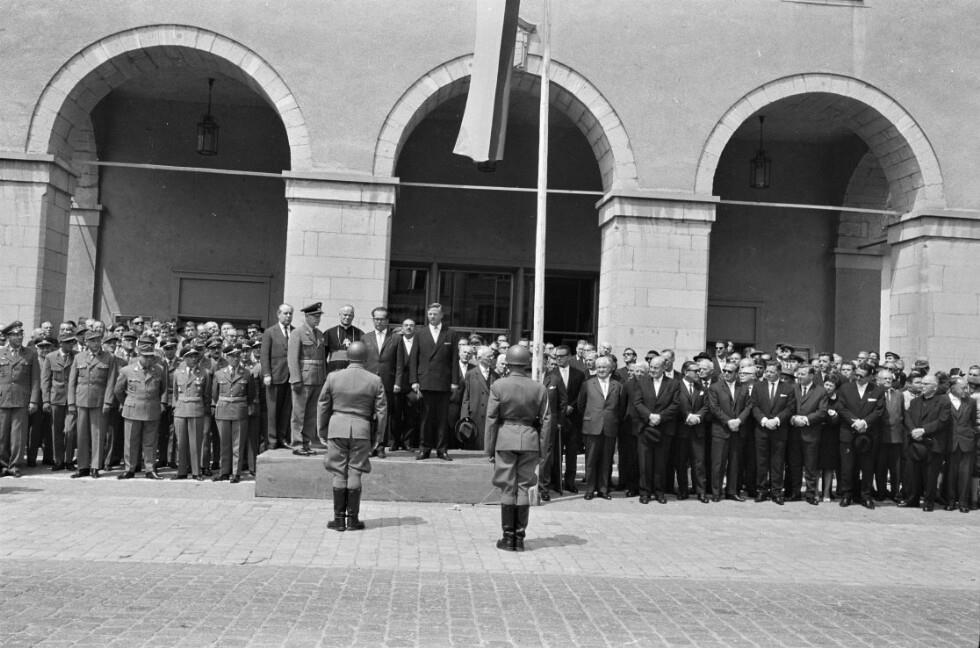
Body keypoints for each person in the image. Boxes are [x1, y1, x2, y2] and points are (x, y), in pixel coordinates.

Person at [484, 345, 550, 551]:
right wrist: (542, 449)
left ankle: (508, 537)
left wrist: (489, 448)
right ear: (526, 364)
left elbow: (491, 418)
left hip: (505, 438)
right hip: (530, 440)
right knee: (523, 487)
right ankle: (519, 539)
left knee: (507, 487)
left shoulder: (498, 386)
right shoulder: (539, 388)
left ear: (508, 363)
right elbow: (546, 421)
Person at [317, 341, 387, 532]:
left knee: (339, 472)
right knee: (355, 472)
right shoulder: (375, 380)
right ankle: (353, 520)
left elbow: (323, 405)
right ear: (366, 358)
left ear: (348, 356)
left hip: (337, 428)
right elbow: (382, 412)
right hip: (361, 430)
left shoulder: (333, 377)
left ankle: (339, 520)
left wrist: (322, 430)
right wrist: (378, 436)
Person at [111, 337, 168, 479]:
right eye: (145, 357)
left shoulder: (159, 370)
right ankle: (129, 469)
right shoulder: (127, 370)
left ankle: (150, 469)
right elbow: (118, 390)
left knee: (150, 441)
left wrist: (160, 403)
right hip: (132, 409)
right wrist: (127, 402)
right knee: (131, 441)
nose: (148, 360)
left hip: (151, 409)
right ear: (139, 356)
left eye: (151, 357)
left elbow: (163, 389)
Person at [409, 303, 457, 461]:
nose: (432, 317)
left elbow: (454, 359)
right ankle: (424, 448)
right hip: (426, 381)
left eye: (435, 314)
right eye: (430, 314)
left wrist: (454, 381)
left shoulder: (450, 333)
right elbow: (414, 358)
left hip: (443, 382)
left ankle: (442, 449)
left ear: (441, 315)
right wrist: (414, 380)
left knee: (442, 419)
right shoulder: (420, 333)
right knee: (426, 418)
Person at [67, 330, 117, 478]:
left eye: (98, 340)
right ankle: (82, 466)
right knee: (81, 434)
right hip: (81, 400)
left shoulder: (109, 357)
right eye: (92, 340)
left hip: (99, 400)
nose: (96, 343)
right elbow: (72, 382)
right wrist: (71, 402)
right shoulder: (79, 357)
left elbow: (111, 382)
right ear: (86, 342)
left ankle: (95, 466)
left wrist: (108, 401)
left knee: (98, 434)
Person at [632, 356, 680, 504]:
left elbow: (676, 404)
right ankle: (644, 493)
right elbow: (637, 403)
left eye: (655, 368)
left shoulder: (673, 384)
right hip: (645, 428)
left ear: (664, 368)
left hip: (664, 429)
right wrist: (649, 416)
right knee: (644, 464)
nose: (652, 370)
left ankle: (659, 492)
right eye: (651, 367)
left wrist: (661, 417)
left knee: (661, 463)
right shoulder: (642, 382)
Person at [576, 355, 625, 500]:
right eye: (598, 367)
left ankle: (603, 489)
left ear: (610, 369)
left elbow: (621, 407)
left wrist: (613, 420)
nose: (601, 370)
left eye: (604, 367)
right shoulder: (587, 384)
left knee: (606, 460)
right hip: (592, 426)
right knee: (591, 460)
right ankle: (590, 489)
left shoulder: (618, 385)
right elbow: (581, 404)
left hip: (610, 427)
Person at [837, 362, 884, 508]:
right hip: (849, 432)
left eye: (861, 376)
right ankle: (847, 494)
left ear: (870, 376)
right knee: (847, 467)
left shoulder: (877, 390)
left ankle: (866, 495)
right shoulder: (845, 388)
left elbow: (879, 410)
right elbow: (841, 407)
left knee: (867, 467)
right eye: (856, 375)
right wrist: (854, 422)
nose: (858, 378)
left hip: (868, 435)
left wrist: (864, 422)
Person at [902, 374, 951, 511]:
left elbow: (943, 421)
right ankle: (912, 500)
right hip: (915, 442)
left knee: (930, 475)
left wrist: (923, 430)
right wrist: (913, 431)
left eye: (926, 384)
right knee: (913, 474)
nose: (922, 386)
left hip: (932, 443)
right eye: (921, 383)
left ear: (934, 387)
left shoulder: (943, 401)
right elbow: (907, 417)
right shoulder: (915, 402)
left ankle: (929, 502)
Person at [0, 322, 42, 477]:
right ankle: (3, 464)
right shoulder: (1, 353)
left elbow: (35, 379)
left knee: (18, 435)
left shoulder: (30, 354)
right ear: (8, 337)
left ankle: (15, 465)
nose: (19, 337)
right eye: (15, 335)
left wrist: (33, 400)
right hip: (3, 399)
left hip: (21, 399)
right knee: (2, 434)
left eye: (20, 334)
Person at [752, 361, 796, 505]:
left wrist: (777, 420)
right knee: (761, 461)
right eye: (767, 371)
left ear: (778, 372)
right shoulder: (758, 386)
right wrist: (764, 421)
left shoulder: (788, 388)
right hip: (762, 429)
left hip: (779, 430)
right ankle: (761, 490)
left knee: (778, 462)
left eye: (771, 372)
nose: (768, 374)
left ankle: (777, 492)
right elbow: (754, 406)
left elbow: (790, 408)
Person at [707, 361, 752, 502]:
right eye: (724, 370)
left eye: (729, 371)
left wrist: (739, 420)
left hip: (738, 430)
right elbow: (714, 408)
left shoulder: (743, 388)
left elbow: (749, 406)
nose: (726, 373)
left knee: (735, 463)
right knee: (718, 463)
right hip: (721, 430)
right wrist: (728, 421)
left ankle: (732, 492)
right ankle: (716, 492)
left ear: (736, 373)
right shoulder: (715, 387)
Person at [211, 344, 256, 483]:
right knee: (224, 443)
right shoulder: (219, 373)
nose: (236, 358)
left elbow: (251, 394)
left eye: (237, 355)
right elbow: (214, 394)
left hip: (239, 410)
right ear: (227, 357)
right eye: (232, 356)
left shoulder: (246, 373)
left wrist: (245, 405)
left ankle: (236, 473)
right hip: (223, 410)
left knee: (238, 443)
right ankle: (224, 471)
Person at [288, 302, 326, 456]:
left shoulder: (320, 334)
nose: (318, 319)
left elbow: (322, 359)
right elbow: (292, 358)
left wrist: (323, 378)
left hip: (317, 379)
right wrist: (296, 379)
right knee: (298, 414)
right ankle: (297, 444)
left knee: (311, 414)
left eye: (319, 316)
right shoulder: (297, 333)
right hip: (303, 379)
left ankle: (306, 442)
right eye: (315, 316)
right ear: (307, 317)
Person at [361, 306, 398, 458]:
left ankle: (381, 445)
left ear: (387, 321)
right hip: (369, 381)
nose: (379, 322)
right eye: (376, 319)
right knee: (368, 414)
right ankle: (370, 445)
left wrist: (397, 382)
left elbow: (399, 363)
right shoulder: (365, 338)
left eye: (382, 319)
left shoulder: (395, 338)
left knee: (383, 415)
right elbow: (362, 361)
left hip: (387, 380)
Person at [789, 366, 828, 505]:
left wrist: (805, 419)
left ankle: (811, 494)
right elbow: (787, 407)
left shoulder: (820, 391)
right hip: (794, 432)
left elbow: (822, 412)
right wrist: (793, 418)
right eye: (798, 374)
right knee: (794, 464)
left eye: (803, 374)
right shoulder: (793, 388)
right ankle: (795, 492)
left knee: (811, 466)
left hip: (811, 433)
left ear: (811, 376)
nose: (799, 376)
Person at [171, 345, 210, 481]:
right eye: (190, 356)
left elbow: (206, 394)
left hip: (196, 408)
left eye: (195, 356)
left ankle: (196, 471)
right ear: (185, 358)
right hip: (181, 409)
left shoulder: (204, 373)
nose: (194, 359)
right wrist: (175, 407)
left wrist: (204, 409)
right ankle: (181, 471)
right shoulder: (177, 373)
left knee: (195, 442)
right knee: (181, 442)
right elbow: (175, 393)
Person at [41, 332, 77, 472]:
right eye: (67, 342)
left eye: (72, 342)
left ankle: (69, 460)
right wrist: (46, 400)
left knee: (69, 431)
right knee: (56, 431)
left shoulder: (76, 356)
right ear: (61, 343)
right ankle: (58, 460)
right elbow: (45, 380)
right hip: (56, 399)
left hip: (72, 399)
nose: (71, 345)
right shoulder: (50, 357)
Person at [260, 303, 294, 450]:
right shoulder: (270, 332)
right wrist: (267, 374)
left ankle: (283, 438)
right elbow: (264, 355)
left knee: (286, 410)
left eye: (290, 313)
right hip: (275, 376)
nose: (288, 316)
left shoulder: (295, 332)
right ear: (278, 314)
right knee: (272, 410)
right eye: (285, 313)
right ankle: (272, 440)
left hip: (291, 377)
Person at [945, 377, 977, 512]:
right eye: (963, 387)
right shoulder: (943, 400)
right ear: (953, 388)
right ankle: (950, 501)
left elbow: (972, 421)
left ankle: (963, 503)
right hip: (950, 442)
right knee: (950, 473)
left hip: (966, 442)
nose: (966, 390)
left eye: (966, 387)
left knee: (965, 474)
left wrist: (971, 434)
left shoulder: (971, 401)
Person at [459, 346, 496, 451]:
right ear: (479, 358)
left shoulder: (495, 375)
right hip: (474, 417)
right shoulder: (470, 374)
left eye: (492, 356)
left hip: (489, 417)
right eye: (488, 356)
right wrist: (464, 416)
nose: (491, 358)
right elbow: (466, 397)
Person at [324, 304, 363, 373]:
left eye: (350, 315)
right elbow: (323, 356)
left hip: (353, 372)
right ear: (339, 315)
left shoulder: (360, 333)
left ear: (353, 316)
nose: (347, 317)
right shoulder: (329, 333)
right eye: (345, 315)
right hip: (334, 371)